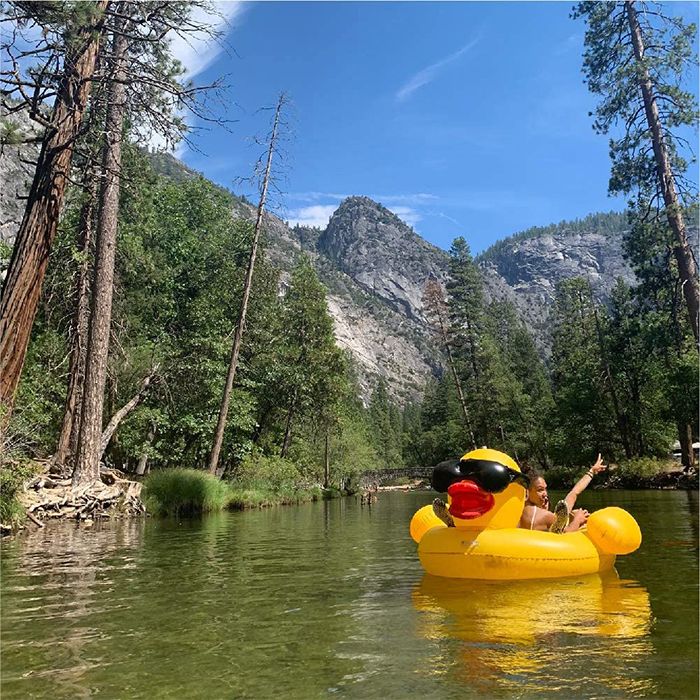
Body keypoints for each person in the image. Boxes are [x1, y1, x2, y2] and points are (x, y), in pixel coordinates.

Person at [519, 454, 607, 532]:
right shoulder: (544, 516)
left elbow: (574, 493)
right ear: (527, 492)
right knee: (577, 516)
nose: (545, 494)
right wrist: (578, 520)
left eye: (545, 489)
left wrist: (592, 471)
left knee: (572, 511)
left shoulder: (519, 509)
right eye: (540, 490)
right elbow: (566, 534)